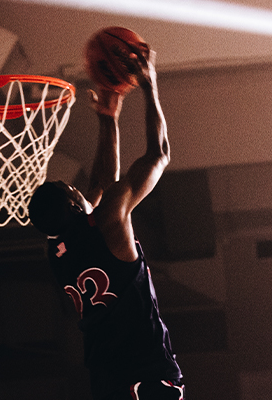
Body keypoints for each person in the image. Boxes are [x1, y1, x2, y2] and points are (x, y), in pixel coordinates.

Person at [28, 42, 181, 400]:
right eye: (72, 188)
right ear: (73, 205)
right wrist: (149, 84)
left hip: (116, 376)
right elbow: (158, 154)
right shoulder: (95, 227)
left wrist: (109, 120)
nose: (80, 189)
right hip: (139, 374)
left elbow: (101, 186)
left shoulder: (61, 251)